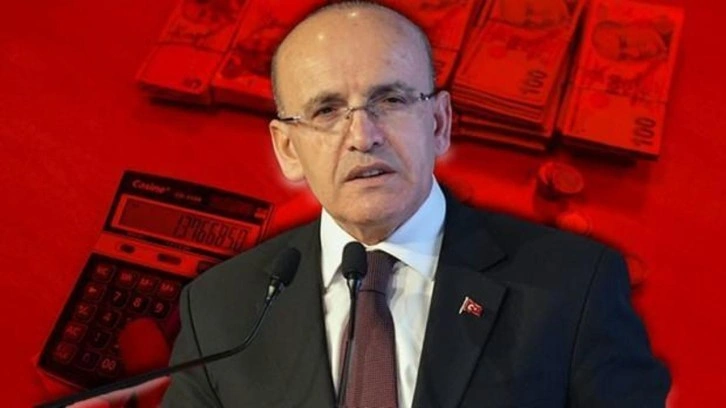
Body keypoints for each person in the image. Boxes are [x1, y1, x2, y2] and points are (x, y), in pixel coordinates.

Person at [162, 2, 670, 407]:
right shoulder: (218, 310)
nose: (363, 136)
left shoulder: (575, 286)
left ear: (439, 123)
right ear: (288, 149)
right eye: (327, 110)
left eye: (391, 100)